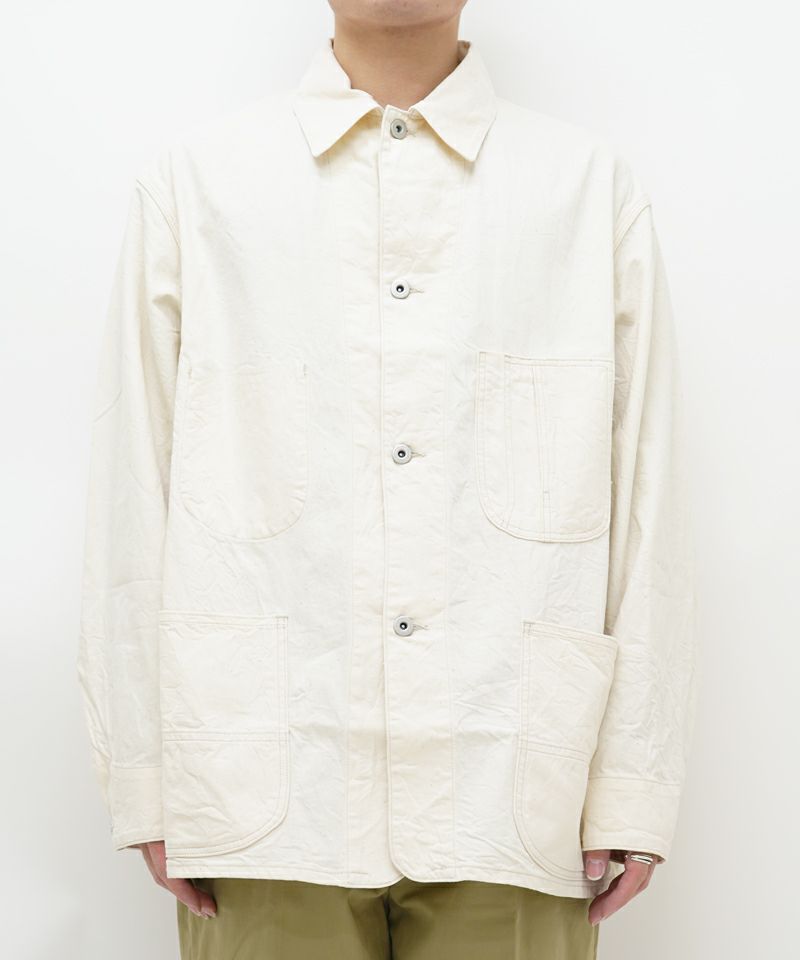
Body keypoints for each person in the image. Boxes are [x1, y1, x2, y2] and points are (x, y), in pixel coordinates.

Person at [76, 1, 699, 957]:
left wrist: (634, 784)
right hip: (261, 791)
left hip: (520, 792)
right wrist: (148, 775)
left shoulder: (584, 189)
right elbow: (133, 489)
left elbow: (649, 493)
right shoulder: (199, 187)